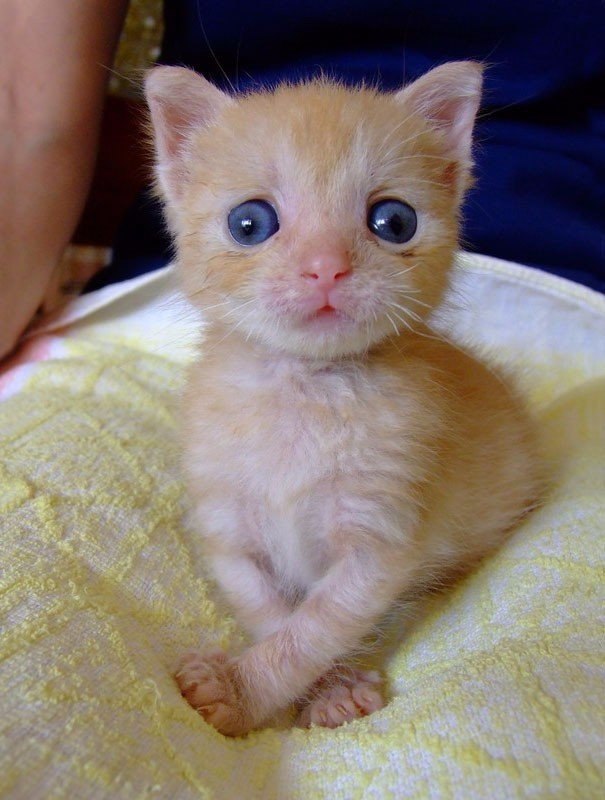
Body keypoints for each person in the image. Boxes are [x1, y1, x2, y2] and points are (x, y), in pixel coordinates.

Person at [3, 0, 604, 361]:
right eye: (252, 224)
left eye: (390, 222)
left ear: (452, 173)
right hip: (166, 309)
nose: (326, 266)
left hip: (566, 298)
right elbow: (27, 119)